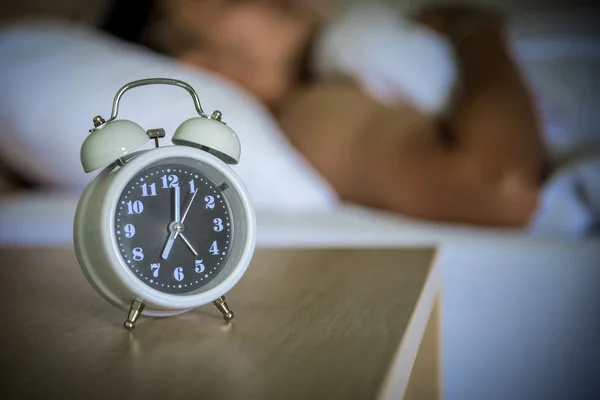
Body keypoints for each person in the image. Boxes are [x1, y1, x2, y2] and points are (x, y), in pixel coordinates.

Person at [0, 0, 549, 227]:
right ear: (201, 64)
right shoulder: (313, 110)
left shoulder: (344, 67)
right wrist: (478, 32)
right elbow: (496, 184)